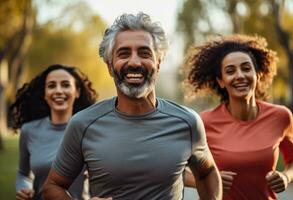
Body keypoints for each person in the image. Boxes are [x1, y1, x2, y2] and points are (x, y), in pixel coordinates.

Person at [43, 12, 222, 200]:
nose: (135, 62)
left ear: (158, 63)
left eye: (145, 53)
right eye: (124, 53)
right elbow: (53, 186)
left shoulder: (188, 122)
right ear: (110, 66)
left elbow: (207, 172)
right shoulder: (82, 124)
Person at [183, 34, 293, 199]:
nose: (239, 75)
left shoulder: (281, 116)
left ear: (257, 74)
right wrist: (209, 180)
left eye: (246, 68)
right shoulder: (204, 122)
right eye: (230, 71)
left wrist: (286, 177)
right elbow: (176, 169)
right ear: (221, 81)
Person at [10, 64, 97, 200]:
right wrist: (23, 187)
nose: (58, 91)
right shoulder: (29, 130)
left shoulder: (91, 130)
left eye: (65, 85)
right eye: (51, 86)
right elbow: (23, 173)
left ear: (77, 91)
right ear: (45, 94)